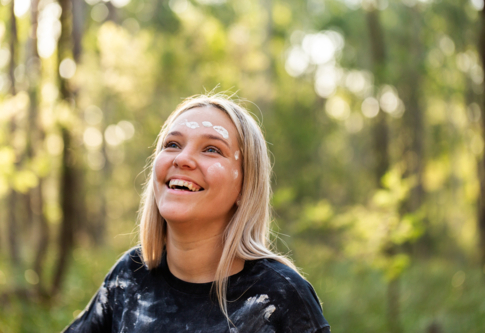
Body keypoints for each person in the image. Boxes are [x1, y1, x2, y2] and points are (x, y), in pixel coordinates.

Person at [63, 94, 330, 333]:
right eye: (172, 145)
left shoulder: (281, 295)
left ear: (244, 188)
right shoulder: (130, 277)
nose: (182, 159)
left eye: (212, 149)